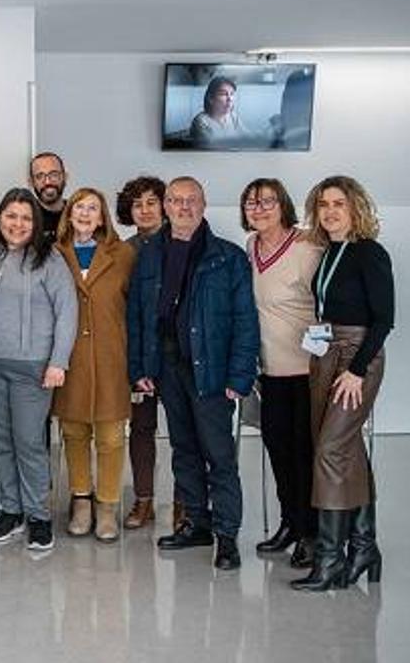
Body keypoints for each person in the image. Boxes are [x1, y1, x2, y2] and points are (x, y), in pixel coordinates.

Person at [127, 177, 259, 571]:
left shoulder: (228, 257)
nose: (183, 207)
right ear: (166, 206)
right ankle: (196, 524)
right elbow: (137, 315)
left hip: (213, 371)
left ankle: (227, 535)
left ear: (203, 205)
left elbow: (245, 321)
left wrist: (241, 375)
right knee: (183, 449)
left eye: (192, 201)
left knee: (219, 455)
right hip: (167, 368)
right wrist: (140, 368)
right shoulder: (149, 254)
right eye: (176, 200)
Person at [292, 176, 394, 591]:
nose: (330, 211)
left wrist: (356, 370)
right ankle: (364, 546)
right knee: (343, 449)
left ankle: (331, 560)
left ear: (356, 208)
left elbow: (384, 319)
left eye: (339, 203)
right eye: (323, 204)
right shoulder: (329, 251)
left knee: (331, 450)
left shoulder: (369, 253)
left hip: (356, 358)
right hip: (326, 352)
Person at [0, 188, 77, 552]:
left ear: (34, 223)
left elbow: (67, 312)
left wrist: (58, 362)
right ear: (0, 218)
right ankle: (11, 511)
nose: (16, 224)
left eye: (25, 218)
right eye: (10, 216)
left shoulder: (49, 259)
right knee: (1, 441)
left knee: (29, 443)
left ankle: (38, 516)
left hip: (33, 370)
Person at [241, 178, 322, 568]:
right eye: (251, 204)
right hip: (270, 371)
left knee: (304, 454)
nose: (259, 209)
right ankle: (289, 523)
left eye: (267, 202)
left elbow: (330, 302)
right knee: (277, 452)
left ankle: (312, 534)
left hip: (307, 370)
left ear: (283, 205)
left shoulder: (308, 246)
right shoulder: (251, 247)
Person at [53, 187, 135, 542]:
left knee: (111, 436)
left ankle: (107, 505)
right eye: (79, 208)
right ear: (68, 214)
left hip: (112, 356)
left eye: (93, 209)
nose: (85, 214)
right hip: (68, 359)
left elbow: (138, 309)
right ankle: (81, 500)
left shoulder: (124, 254)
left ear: (103, 217)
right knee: (73, 432)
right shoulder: (55, 254)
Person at [115, 175, 176, 530]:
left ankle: (186, 503)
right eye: (137, 204)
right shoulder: (124, 252)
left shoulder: (181, 243)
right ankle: (143, 500)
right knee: (141, 428)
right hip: (138, 354)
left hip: (177, 353)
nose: (145, 209)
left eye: (152, 202)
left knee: (185, 431)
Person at [188, 76, 251, 148]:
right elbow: (212, 148)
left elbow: (248, 137)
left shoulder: (233, 117)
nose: (230, 99)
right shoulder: (201, 122)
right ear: (210, 98)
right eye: (223, 94)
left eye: (232, 94)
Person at [29, 152, 67, 242]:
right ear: (31, 182)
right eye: (39, 176)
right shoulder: (26, 218)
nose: (47, 182)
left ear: (65, 177)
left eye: (54, 174)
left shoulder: (79, 214)